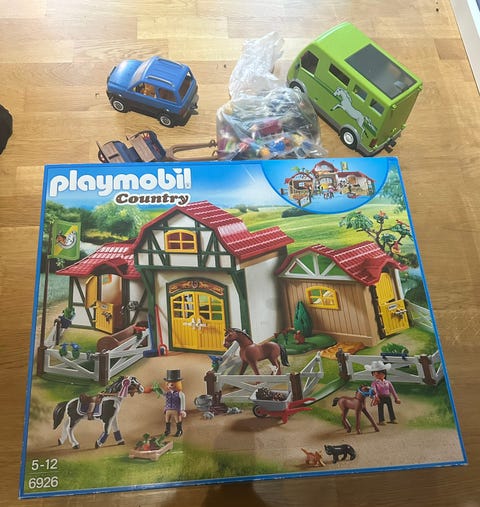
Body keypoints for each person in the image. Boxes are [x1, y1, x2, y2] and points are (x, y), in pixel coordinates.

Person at [365, 360, 401, 425]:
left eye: (380, 373)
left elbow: (392, 390)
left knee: (390, 408)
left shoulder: (388, 382)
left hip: (387, 397)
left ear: (384, 373)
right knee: (380, 409)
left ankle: (393, 419)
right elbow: (374, 391)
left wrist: (396, 398)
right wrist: (376, 397)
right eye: (375, 373)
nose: (377, 375)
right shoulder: (374, 383)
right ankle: (381, 420)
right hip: (380, 398)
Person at [163, 369, 186, 437]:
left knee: (177, 420)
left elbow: (183, 401)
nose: (169, 386)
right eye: (168, 384)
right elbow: (162, 394)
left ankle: (179, 430)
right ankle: (167, 430)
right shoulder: (168, 393)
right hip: (168, 409)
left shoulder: (180, 394)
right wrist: (157, 389)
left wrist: (182, 410)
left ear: (177, 384)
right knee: (167, 420)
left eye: (172, 384)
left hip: (176, 409)